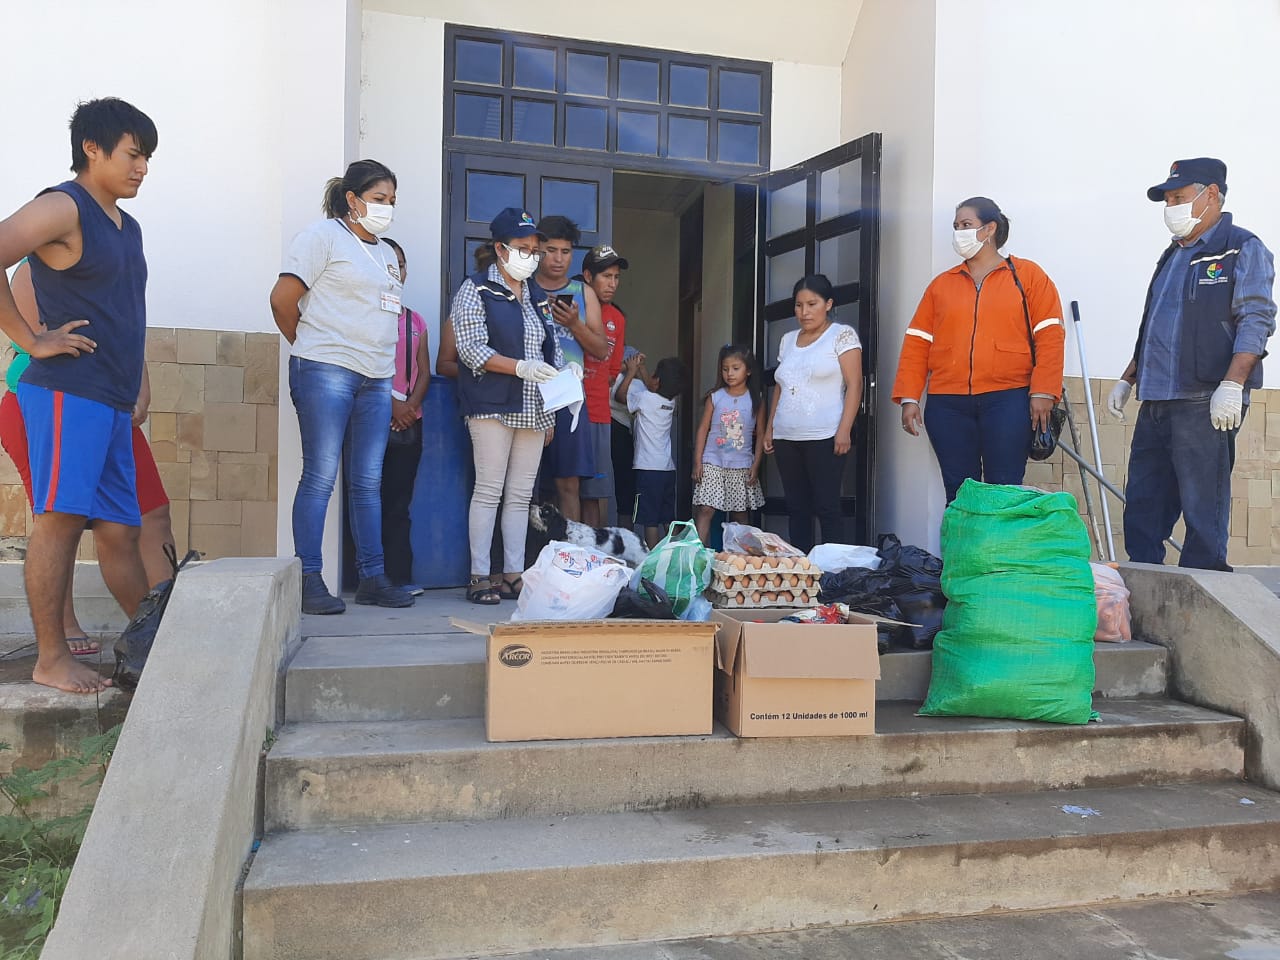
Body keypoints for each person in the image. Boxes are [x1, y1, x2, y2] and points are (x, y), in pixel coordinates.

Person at [0, 97, 158, 693]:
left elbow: (127, 312)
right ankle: (50, 657)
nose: (142, 167)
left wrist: (136, 382)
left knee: (121, 531)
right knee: (60, 522)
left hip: (110, 401)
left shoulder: (128, 225)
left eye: (147, 158)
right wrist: (30, 339)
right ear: (92, 149)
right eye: (133, 154)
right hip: (68, 392)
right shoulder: (62, 206)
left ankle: (153, 644)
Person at [0, 259, 176, 657]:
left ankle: (162, 621)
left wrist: (141, 390)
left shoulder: (117, 251)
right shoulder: (34, 264)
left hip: (109, 403)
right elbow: (35, 338)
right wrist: (37, 343)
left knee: (152, 512)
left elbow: (127, 332)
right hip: (46, 401)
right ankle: (62, 628)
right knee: (60, 520)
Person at [1108, 158, 1276, 571]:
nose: (1172, 207)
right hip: (1157, 400)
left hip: (1205, 398)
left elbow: (1256, 318)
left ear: (1211, 195)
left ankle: (1206, 595)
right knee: (1144, 505)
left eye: (1179, 198)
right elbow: (1156, 324)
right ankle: (1144, 587)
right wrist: (1130, 378)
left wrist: (1233, 385)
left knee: (1203, 506)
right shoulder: (1172, 255)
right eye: (1168, 199)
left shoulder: (1241, 248)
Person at [269, 159, 414, 614]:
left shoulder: (388, 255)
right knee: (320, 476)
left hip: (376, 379)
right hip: (326, 369)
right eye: (377, 200)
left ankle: (372, 578)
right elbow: (282, 300)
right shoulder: (322, 237)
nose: (385, 208)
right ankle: (309, 579)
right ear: (352, 200)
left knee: (368, 481)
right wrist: (312, 347)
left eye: (390, 201)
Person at [891, 198, 1065, 503]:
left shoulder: (1028, 276)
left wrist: (1043, 392)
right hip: (948, 404)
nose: (959, 232)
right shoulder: (940, 286)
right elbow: (917, 342)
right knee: (959, 493)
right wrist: (909, 397)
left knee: (1004, 491)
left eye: (966, 225)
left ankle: (999, 553)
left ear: (990, 229)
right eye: (956, 226)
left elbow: (1050, 336)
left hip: (1008, 400)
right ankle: (959, 553)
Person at [451, 207, 565, 604]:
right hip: (491, 404)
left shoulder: (538, 296)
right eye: (523, 248)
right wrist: (519, 367)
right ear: (500, 248)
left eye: (535, 249)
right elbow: (469, 349)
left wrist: (565, 381)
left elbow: (549, 352)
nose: (531, 256)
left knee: (520, 495)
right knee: (488, 490)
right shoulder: (476, 289)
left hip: (533, 408)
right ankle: (480, 575)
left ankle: (514, 574)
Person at [762, 275, 863, 553]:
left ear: (828, 304)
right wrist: (770, 428)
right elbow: (781, 387)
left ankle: (832, 575)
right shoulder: (788, 340)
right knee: (797, 508)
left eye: (812, 304)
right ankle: (802, 575)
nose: (804, 312)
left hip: (825, 435)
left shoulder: (841, 335)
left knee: (827, 506)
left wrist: (844, 430)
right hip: (786, 436)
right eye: (798, 305)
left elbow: (855, 384)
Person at [533, 216, 607, 522]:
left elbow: (602, 350)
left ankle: (571, 560)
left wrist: (574, 324)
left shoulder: (583, 292)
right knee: (526, 485)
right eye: (551, 250)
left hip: (568, 398)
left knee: (568, 484)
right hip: (528, 393)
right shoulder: (523, 286)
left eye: (565, 251)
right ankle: (524, 561)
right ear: (537, 250)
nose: (558, 259)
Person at [378, 237, 430, 593]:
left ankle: (400, 577)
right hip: (374, 416)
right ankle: (368, 575)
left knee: (399, 501)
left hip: (411, 422)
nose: (396, 271)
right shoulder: (366, 316)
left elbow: (424, 371)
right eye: (389, 264)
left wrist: (409, 408)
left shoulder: (416, 320)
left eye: (401, 264)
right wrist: (391, 407)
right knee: (368, 497)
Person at [692, 344, 765, 545]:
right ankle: (698, 556)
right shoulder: (715, 397)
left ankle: (745, 561)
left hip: (741, 464)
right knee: (706, 509)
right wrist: (698, 462)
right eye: (725, 369)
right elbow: (702, 430)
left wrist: (756, 465)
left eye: (735, 368)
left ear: (748, 370)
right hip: (712, 461)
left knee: (740, 513)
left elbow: (761, 435)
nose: (729, 373)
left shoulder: (755, 399)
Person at [578, 244, 628, 527]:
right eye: (606, 276)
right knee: (564, 488)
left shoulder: (617, 319)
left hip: (598, 412)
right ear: (588, 276)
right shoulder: (570, 305)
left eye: (616, 277)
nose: (612, 283)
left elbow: (611, 372)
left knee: (594, 495)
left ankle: (593, 561)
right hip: (566, 410)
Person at [616, 352, 687, 549]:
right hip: (667, 469)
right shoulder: (670, 402)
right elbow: (652, 385)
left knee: (650, 520)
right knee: (668, 518)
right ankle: (679, 553)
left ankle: (652, 562)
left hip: (647, 470)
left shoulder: (646, 399)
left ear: (657, 381)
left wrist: (631, 372)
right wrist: (643, 369)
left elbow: (620, 396)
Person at [609, 345, 640, 526]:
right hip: (619, 432)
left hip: (620, 433)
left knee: (624, 491)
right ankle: (626, 535)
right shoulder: (631, 383)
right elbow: (621, 398)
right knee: (624, 491)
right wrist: (632, 371)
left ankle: (625, 534)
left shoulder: (612, 380)